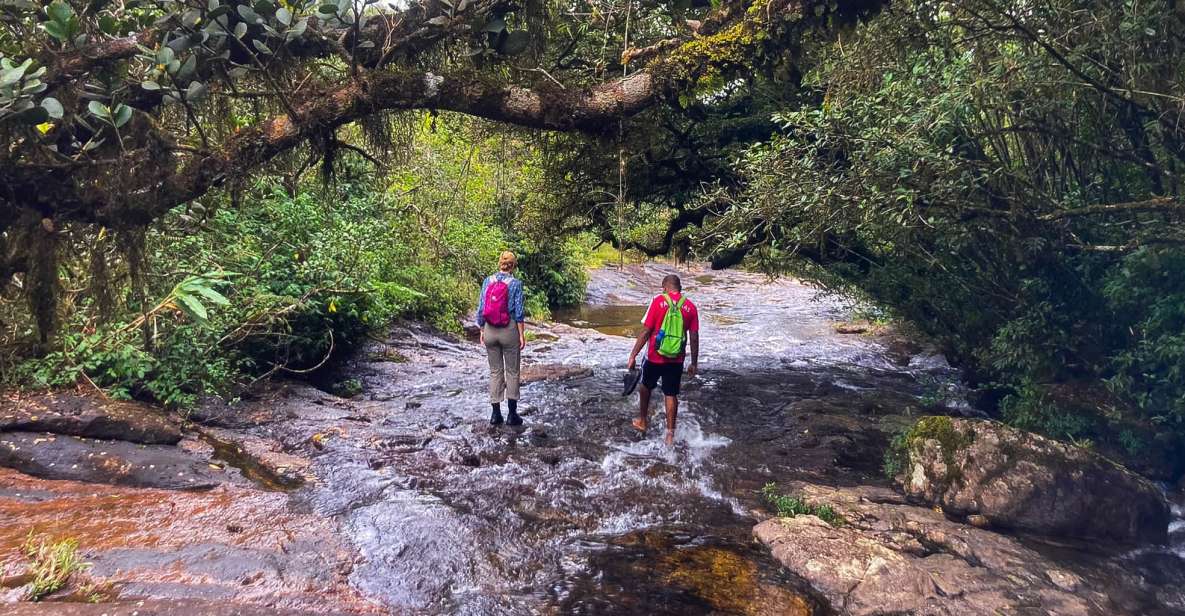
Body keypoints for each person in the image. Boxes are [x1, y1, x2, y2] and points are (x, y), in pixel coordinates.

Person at [626, 274, 699, 446]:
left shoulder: (658, 302)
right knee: (671, 394)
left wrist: (633, 355)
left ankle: (643, 421)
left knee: (645, 386)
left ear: (665, 287)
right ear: (679, 288)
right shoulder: (690, 307)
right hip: (676, 359)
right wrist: (694, 363)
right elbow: (694, 337)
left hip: (654, 356)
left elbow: (646, 331)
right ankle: (670, 436)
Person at [477, 251, 527, 426]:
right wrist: (521, 334)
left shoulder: (487, 281)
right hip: (508, 330)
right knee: (512, 371)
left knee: (495, 371)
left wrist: (482, 329)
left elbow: (482, 307)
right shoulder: (515, 284)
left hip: (490, 330)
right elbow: (518, 311)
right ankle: (512, 415)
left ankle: (495, 414)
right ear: (513, 266)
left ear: (499, 263)